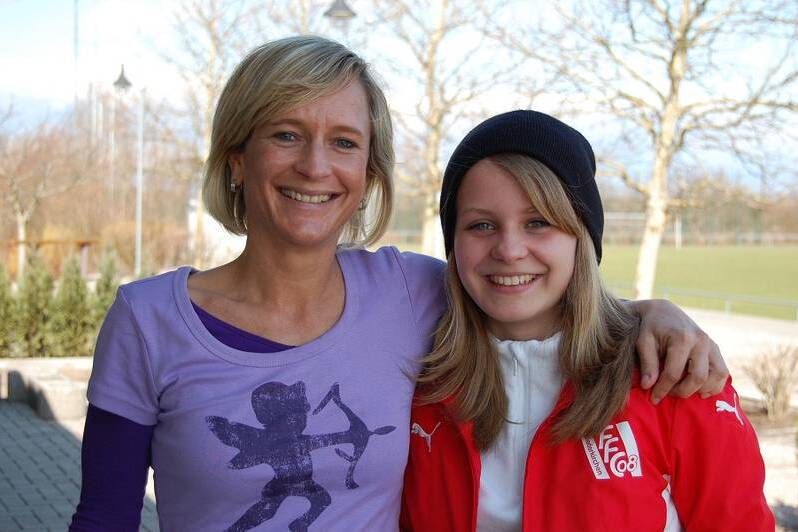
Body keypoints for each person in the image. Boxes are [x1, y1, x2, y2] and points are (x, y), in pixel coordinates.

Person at [70, 37, 728, 531]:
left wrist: (651, 313)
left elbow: (527, 288)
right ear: (238, 158)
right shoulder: (148, 320)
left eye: (346, 142)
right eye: (286, 134)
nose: (316, 165)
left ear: (369, 177)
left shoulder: (409, 292)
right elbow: (104, 518)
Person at [400, 110, 774, 531]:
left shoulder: (676, 377)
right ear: (454, 244)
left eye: (538, 222)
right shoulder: (416, 381)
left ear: (582, 236)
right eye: (481, 225)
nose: (509, 249)